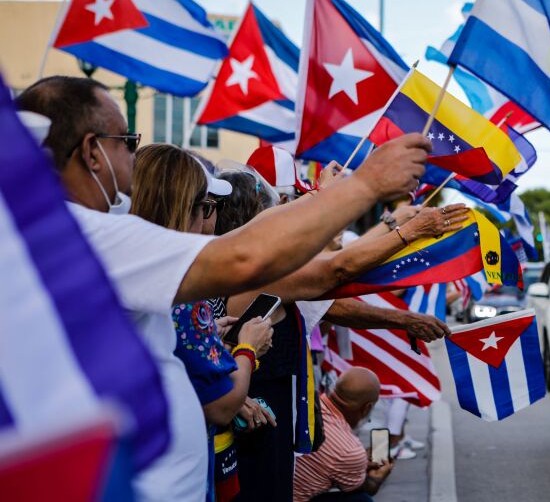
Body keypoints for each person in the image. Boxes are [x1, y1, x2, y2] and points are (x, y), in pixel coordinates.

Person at [15, 75, 429, 502]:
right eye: (127, 141)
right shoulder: (85, 235)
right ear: (92, 152)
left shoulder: (59, 229)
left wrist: (322, 200)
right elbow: (247, 257)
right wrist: (367, 185)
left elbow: (245, 241)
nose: (134, 158)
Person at [213, 168, 455, 502]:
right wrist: (408, 231)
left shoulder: (238, 265)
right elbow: (335, 269)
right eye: (272, 208)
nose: (281, 216)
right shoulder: (251, 273)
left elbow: (331, 267)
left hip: (267, 417)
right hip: (258, 423)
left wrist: (325, 195)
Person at [131, 144, 276, 501]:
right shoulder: (183, 286)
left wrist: (209, 335)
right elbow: (222, 403)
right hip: (177, 476)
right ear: (187, 209)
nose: (211, 221)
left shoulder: (127, 259)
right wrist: (247, 348)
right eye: (208, 208)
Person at [294, 368, 393, 502]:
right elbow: (367, 488)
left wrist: (359, 464)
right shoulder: (349, 450)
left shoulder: (307, 403)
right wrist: (377, 478)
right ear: (367, 408)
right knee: (362, 500)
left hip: (269, 490)